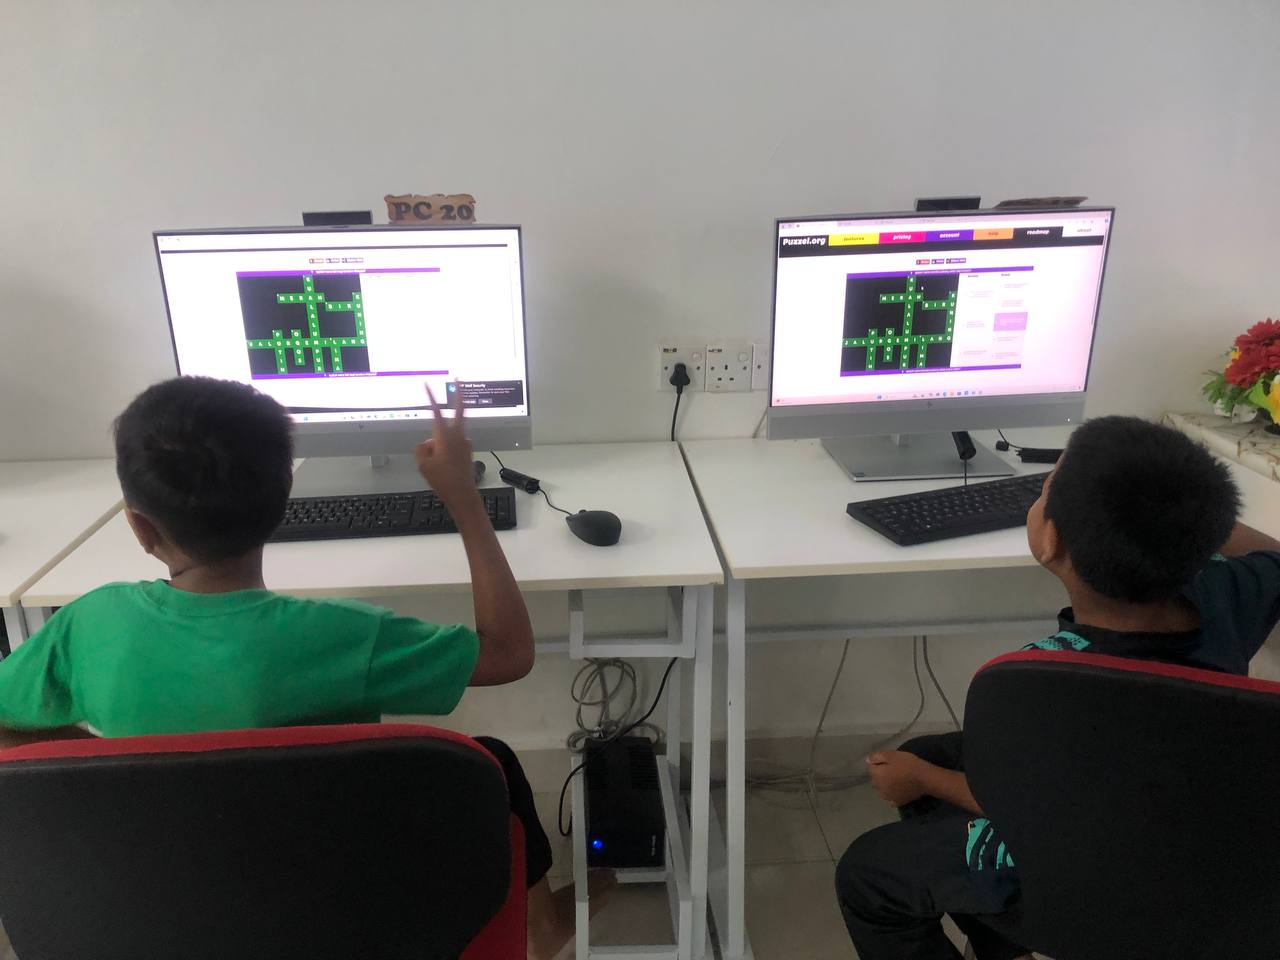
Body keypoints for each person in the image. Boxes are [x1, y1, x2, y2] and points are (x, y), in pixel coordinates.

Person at [0, 375, 604, 960]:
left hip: (165, 901)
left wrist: (98, 759)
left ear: (139, 526)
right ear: (282, 496)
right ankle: (543, 930)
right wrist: (464, 500)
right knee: (489, 759)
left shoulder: (89, 624)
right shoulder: (344, 635)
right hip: (332, 899)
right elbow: (510, 653)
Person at [834, 416, 1280, 960]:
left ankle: (1019, 928)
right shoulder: (1232, 593)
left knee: (869, 873)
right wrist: (1186, 515)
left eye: (1045, 490)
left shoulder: (1032, 686)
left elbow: (1021, 804)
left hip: (1088, 872)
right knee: (926, 751)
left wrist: (921, 780)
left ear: (1051, 540)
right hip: (1188, 828)